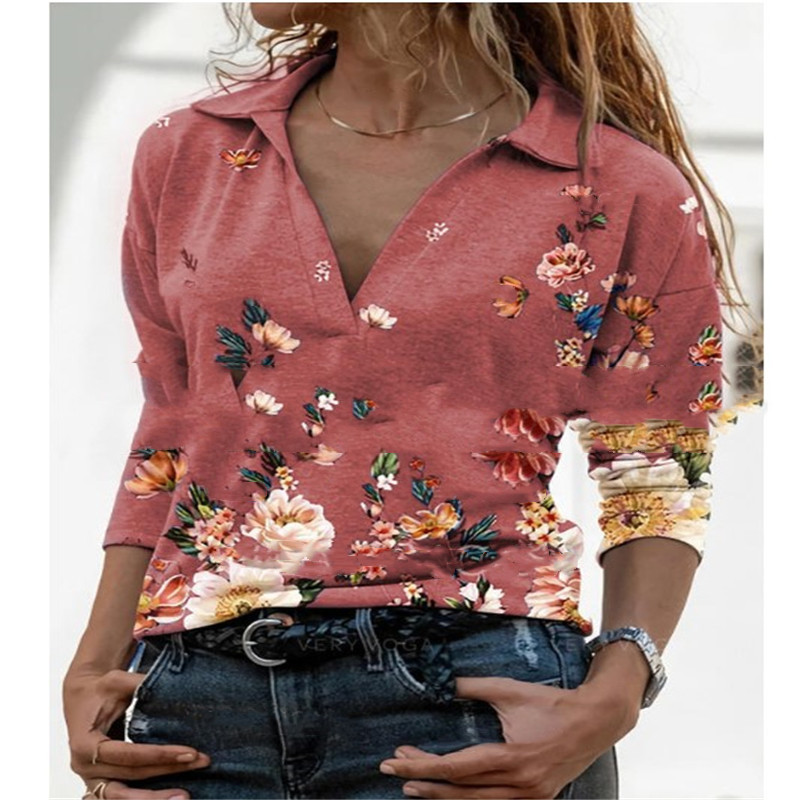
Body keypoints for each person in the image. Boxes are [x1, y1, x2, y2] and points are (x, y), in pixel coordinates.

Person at [62, 4, 762, 800]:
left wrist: (620, 686)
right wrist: (93, 666)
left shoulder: (615, 184)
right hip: (200, 704)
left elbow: (658, 467)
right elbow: (172, 428)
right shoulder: (190, 152)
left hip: (476, 698)